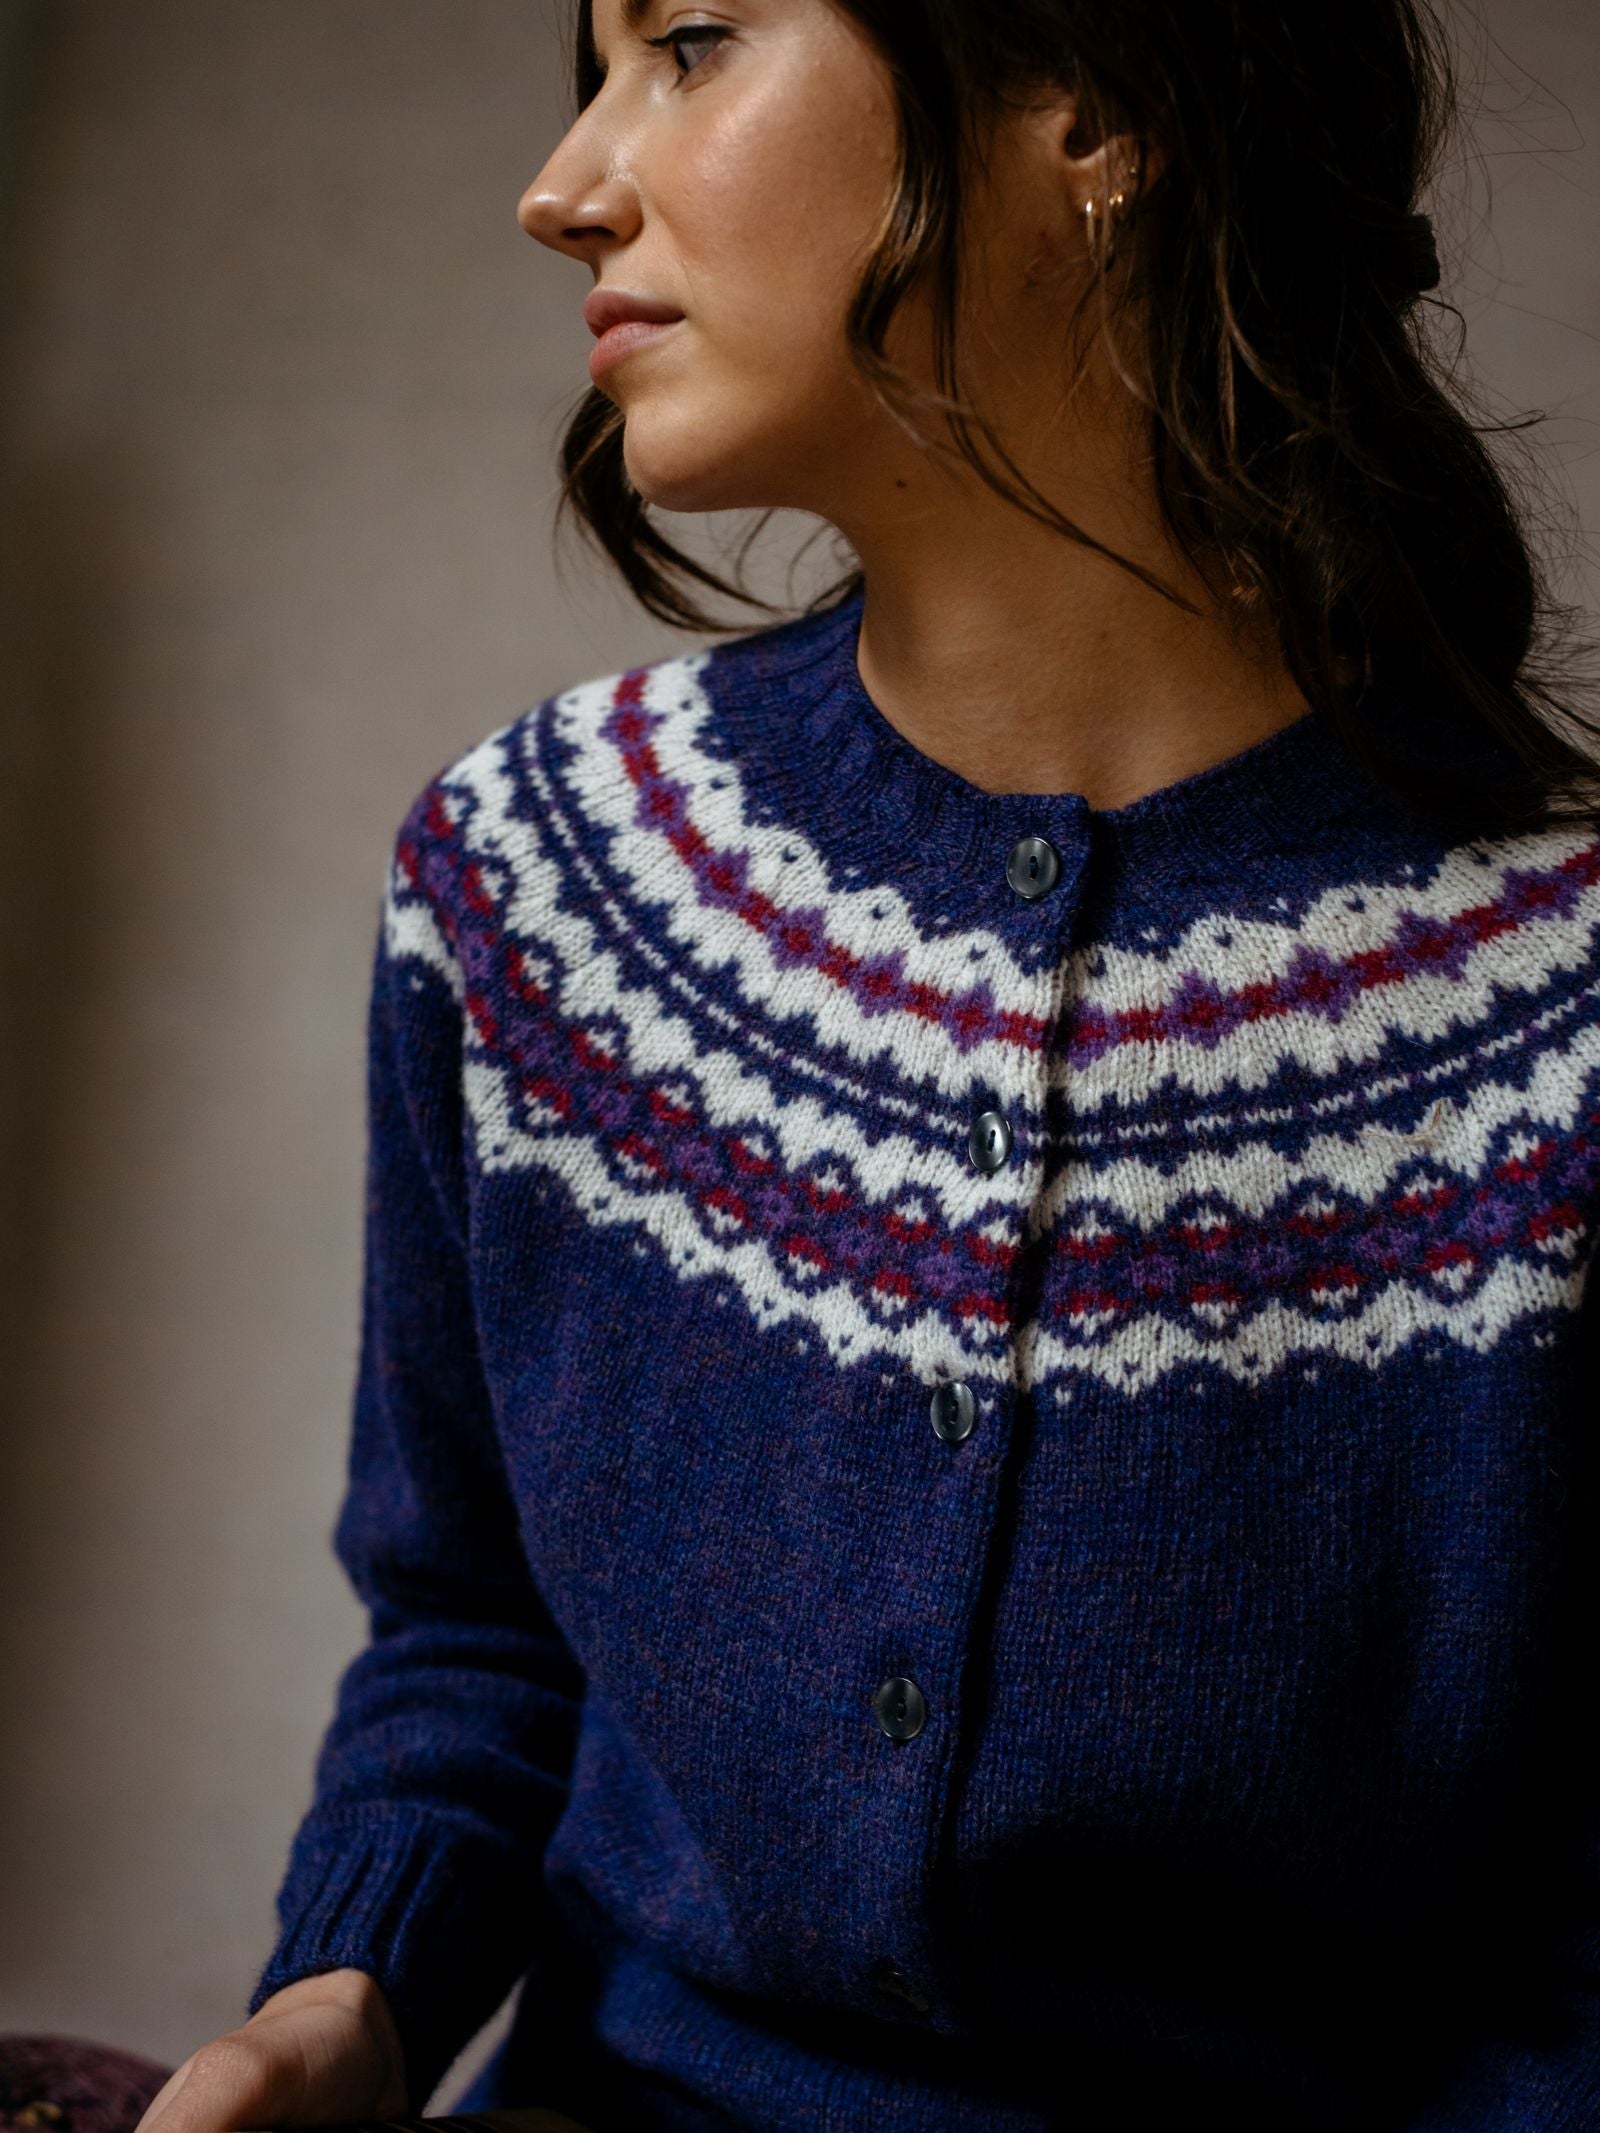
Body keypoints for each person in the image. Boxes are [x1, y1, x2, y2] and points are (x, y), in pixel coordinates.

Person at [133, 0, 1600, 2128]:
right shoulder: (540, 878)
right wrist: (336, 1997)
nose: (562, 188)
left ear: (1093, 105)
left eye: (692, 42)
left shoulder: (1544, 1015)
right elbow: (474, 1640)